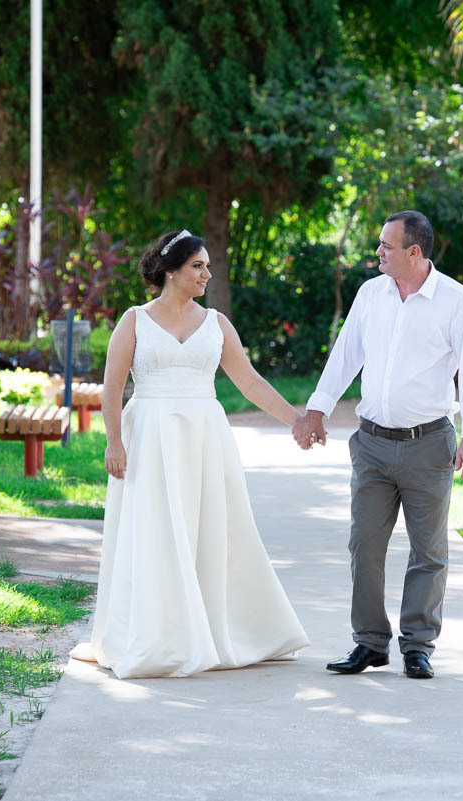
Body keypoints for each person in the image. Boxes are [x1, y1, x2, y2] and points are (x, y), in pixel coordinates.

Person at [70, 229, 309, 678]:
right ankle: (159, 635)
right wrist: (114, 441)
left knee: (212, 530)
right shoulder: (134, 320)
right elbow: (114, 386)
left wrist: (294, 419)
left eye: (207, 266)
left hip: (205, 438)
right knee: (155, 531)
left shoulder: (216, 323)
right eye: (197, 266)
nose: (206, 274)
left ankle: (215, 630)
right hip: (150, 438)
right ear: (170, 270)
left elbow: (249, 381)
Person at [292, 210, 463, 680]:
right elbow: (346, 356)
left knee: (429, 552)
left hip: (429, 444)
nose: (378, 252)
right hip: (373, 445)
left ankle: (418, 646)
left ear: (414, 252)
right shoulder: (370, 294)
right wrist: (317, 410)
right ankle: (369, 643)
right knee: (365, 544)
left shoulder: (456, 302)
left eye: (386, 245)